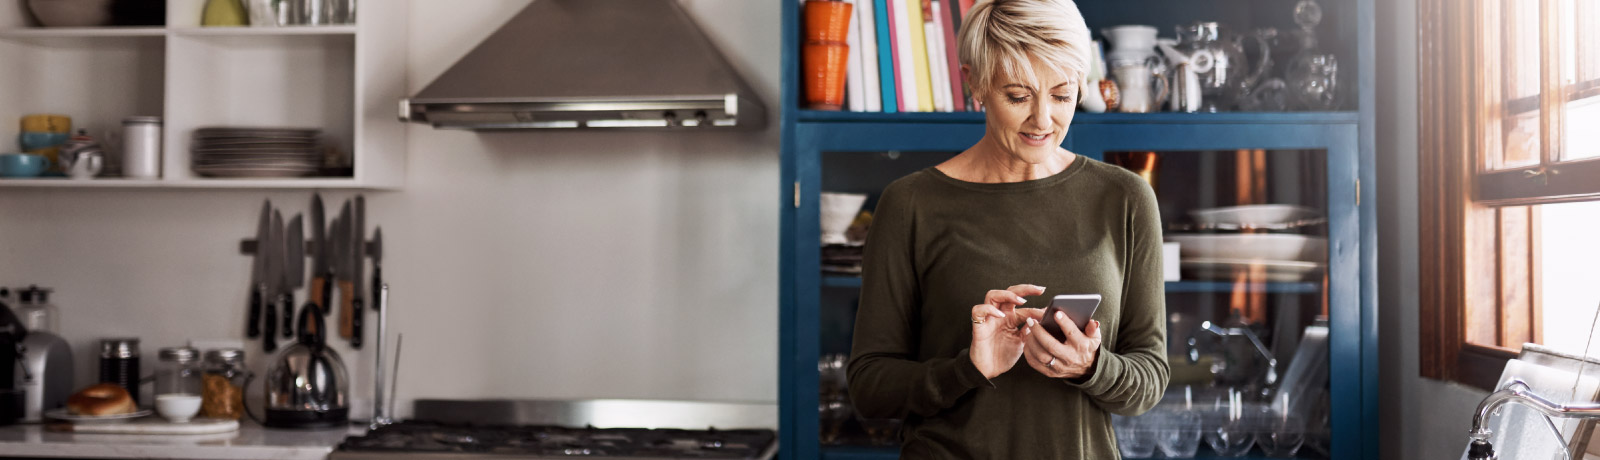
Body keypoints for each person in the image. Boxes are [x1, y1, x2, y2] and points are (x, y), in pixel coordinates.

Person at [844, 0, 1170, 457]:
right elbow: (870, 387)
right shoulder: (910, 204)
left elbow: (1150, 378)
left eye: (1062, 95)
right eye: (1018, 96)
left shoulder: (1126, 198)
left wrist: (1090, 366)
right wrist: (968, 368)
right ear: (974, 81)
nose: (1043, 120)